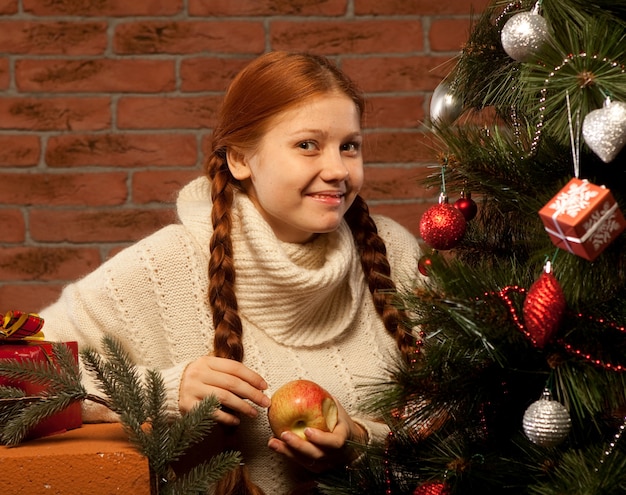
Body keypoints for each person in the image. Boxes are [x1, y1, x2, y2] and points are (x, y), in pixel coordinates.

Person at [39, 51, 425, 494]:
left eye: (349, 146)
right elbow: (13, 383)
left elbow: (465, 414)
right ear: (241, 159)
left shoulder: (394, 253)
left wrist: (358, 442)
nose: (337, 170)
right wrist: (164, 390)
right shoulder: (162, 268)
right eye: (307, 145)